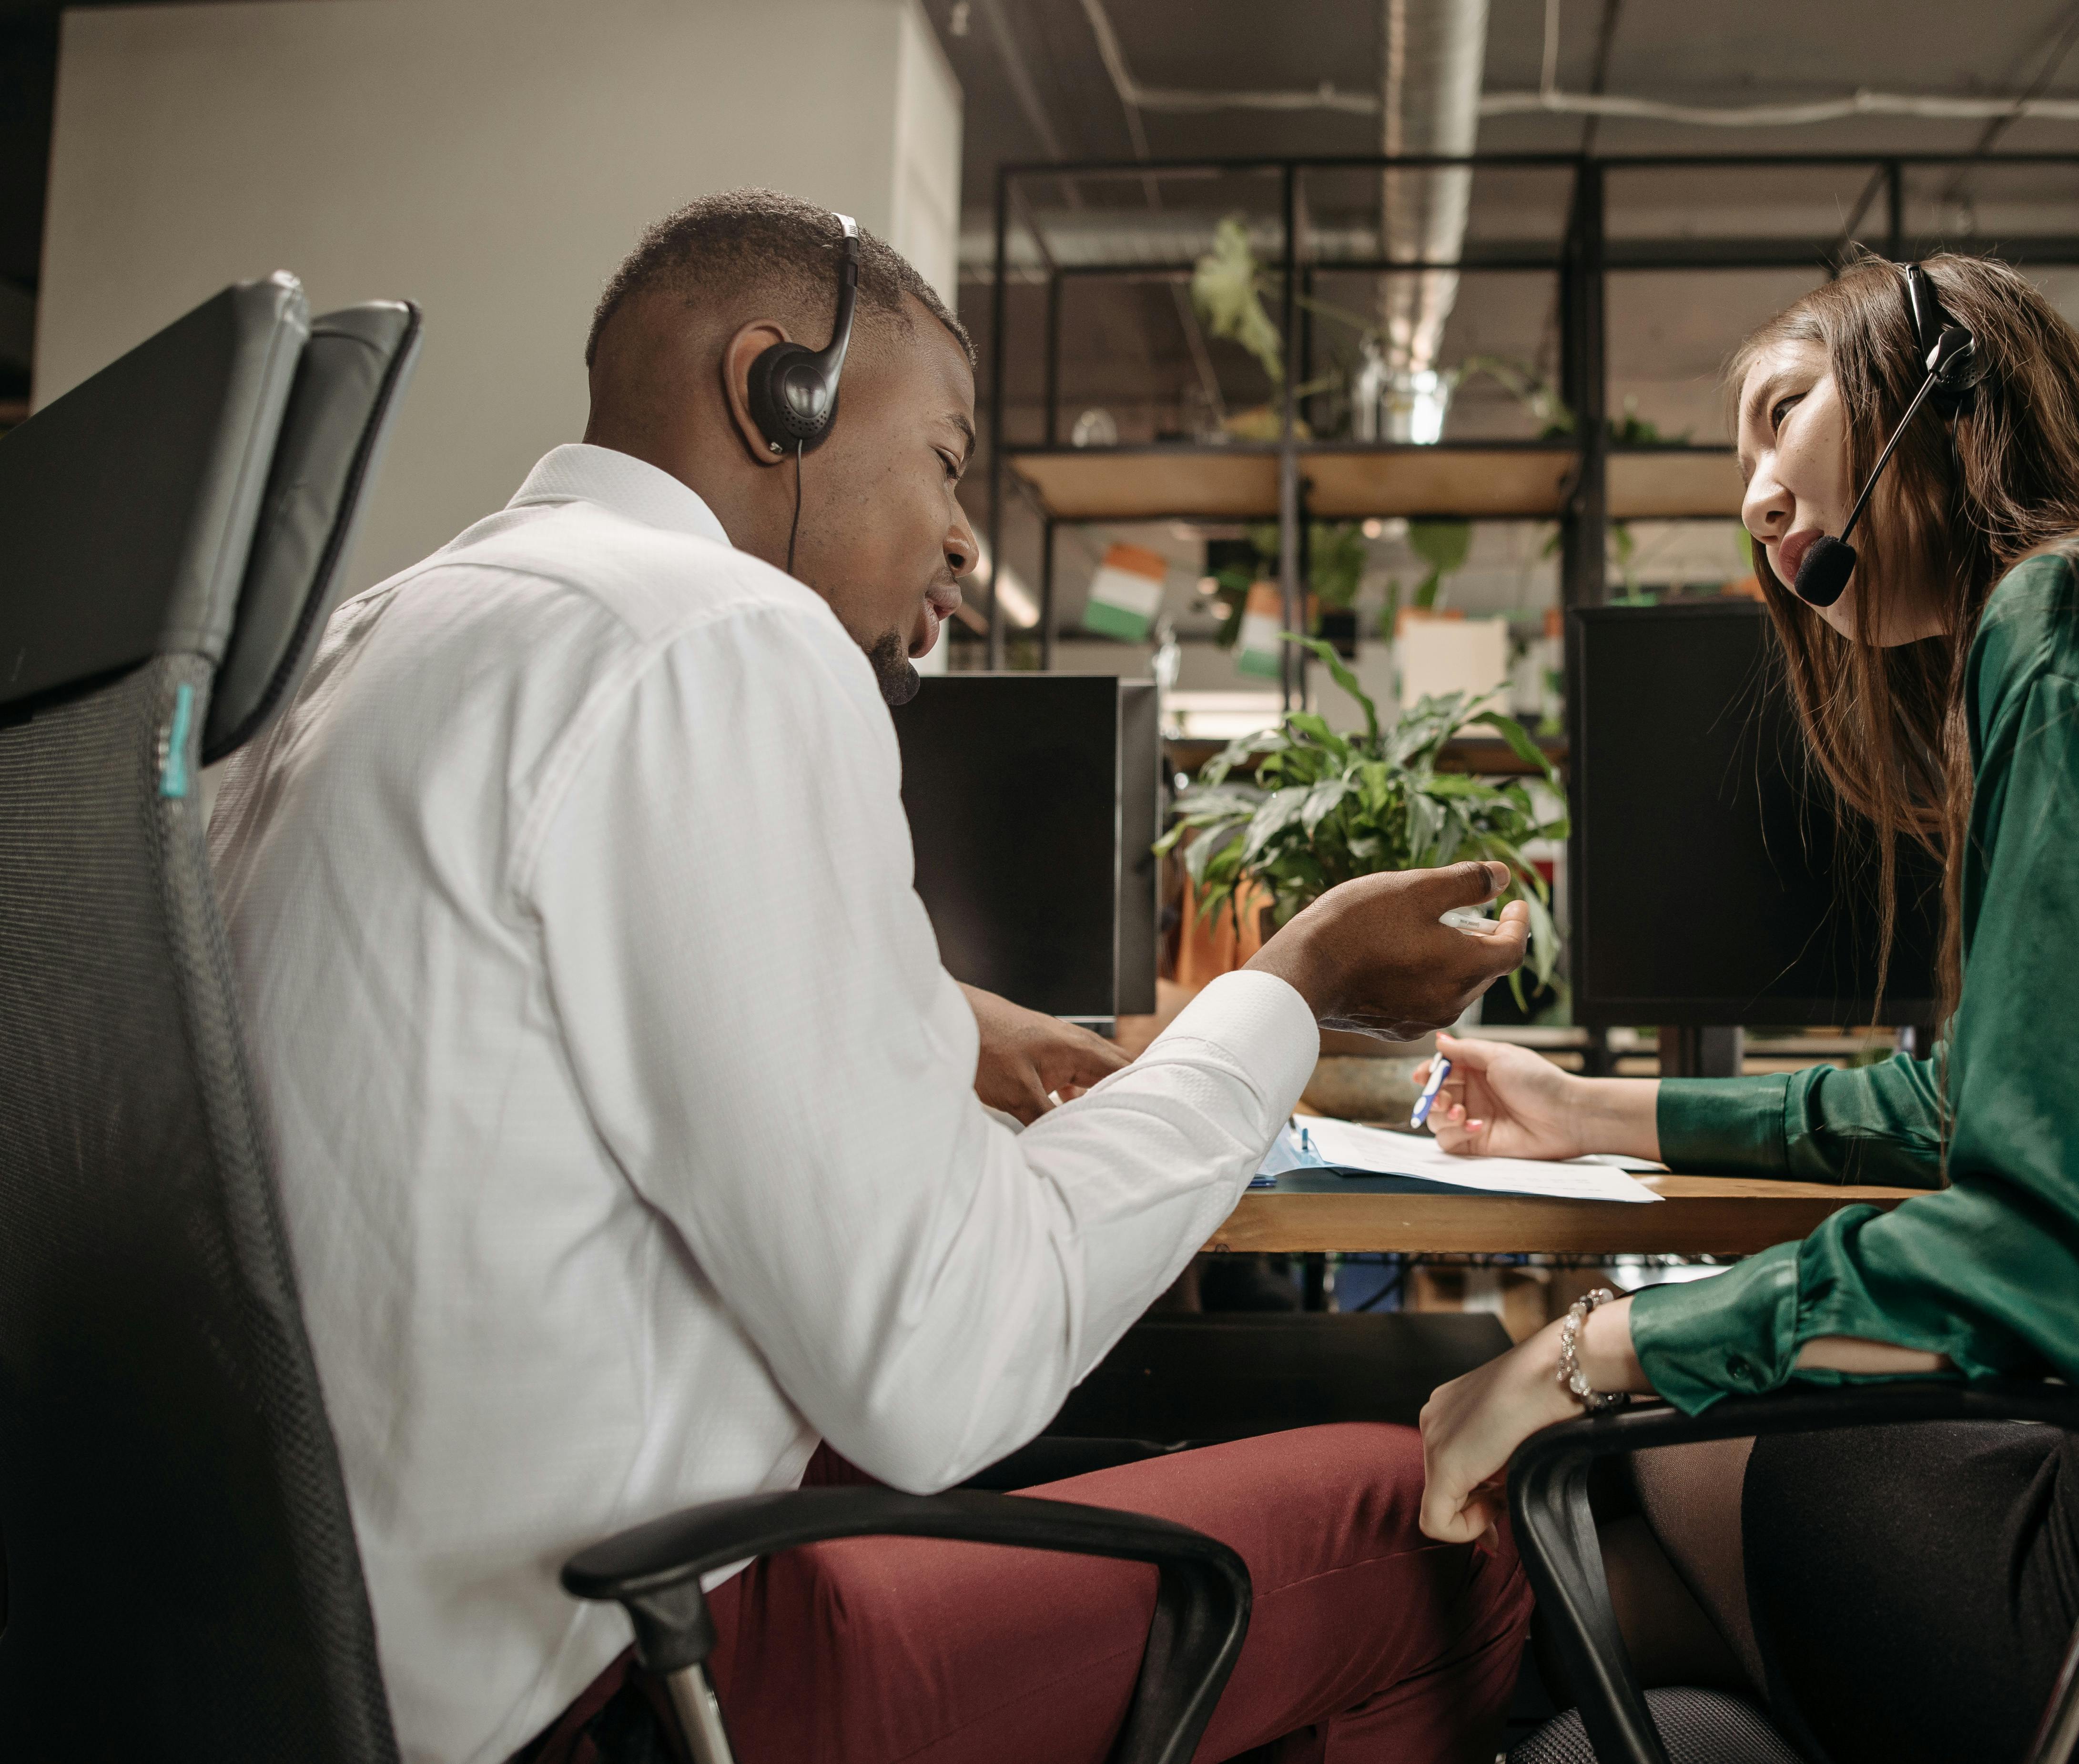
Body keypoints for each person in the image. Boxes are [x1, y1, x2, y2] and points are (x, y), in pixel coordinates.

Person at [209, 189, 1532, 1764]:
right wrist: (1293, 987)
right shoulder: (719, 636)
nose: (967, 535)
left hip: (310, 1648)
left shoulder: (390, 631)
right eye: (949, 459)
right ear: (783, 388)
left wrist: (922, 1013)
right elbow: (948, 1367)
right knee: (1424, 1519)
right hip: (595, 1687)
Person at [1412, 253, 2079, 1763]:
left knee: (1620, 1457)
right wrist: (1588, 1110)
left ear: (1950, 378)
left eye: (1782, 416)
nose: (1759, 497)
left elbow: (2058, 1254)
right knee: (1639, 1603)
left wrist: (1585, 1348)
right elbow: (1983, 1111)